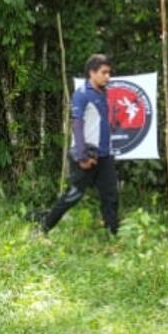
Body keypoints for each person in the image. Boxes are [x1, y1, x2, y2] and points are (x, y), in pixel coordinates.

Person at [35, 54, 119, 236]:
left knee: (110, 195)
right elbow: (77, 124)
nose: (108, 77)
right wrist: (81, 156)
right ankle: (43, 228)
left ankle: (112, 235)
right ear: (92, 72)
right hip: (86, 156)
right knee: (73, 196)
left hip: (105, 156)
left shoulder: (104, 93)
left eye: (109, 73)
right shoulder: (81, 94)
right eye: (104, 73)